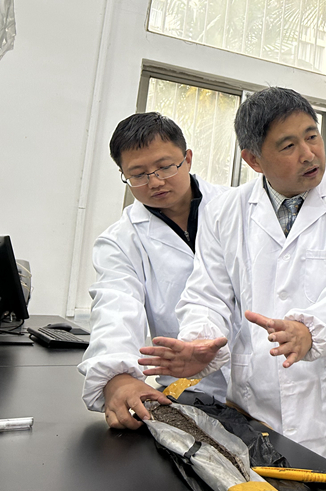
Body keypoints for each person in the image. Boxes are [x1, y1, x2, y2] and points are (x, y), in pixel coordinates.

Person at [138, 88, 326, 491]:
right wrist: (200, 341)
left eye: (312, 136)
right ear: (253, 160)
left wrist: (312, 329)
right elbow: (207, 293)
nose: (309, 153)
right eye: (288, 145)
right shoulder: (225, 212)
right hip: (261, 408)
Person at [78, 112, 228, 430]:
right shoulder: (121, 240)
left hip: (269, 382)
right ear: (124, 175)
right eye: (138, 174)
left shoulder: (237, 209)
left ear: (187, 159)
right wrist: (118, 378)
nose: (155, 182)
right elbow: (115, 306)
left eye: (165, 167)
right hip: (193, 391)